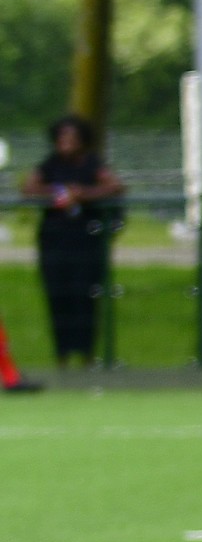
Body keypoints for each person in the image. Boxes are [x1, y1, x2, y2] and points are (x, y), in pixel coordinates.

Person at [24, 114, 125, 370]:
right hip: (55, 241)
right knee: (58, 296)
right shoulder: (50, 165)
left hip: (85, 241)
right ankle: (63, 354)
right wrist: (56, 193)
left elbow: (114, 185)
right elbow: (29, 186)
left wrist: (84, 194)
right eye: (62, 138)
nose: (66, 143)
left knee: (85, 297)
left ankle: (86, 354)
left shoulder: (92, 164)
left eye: (72, 138)